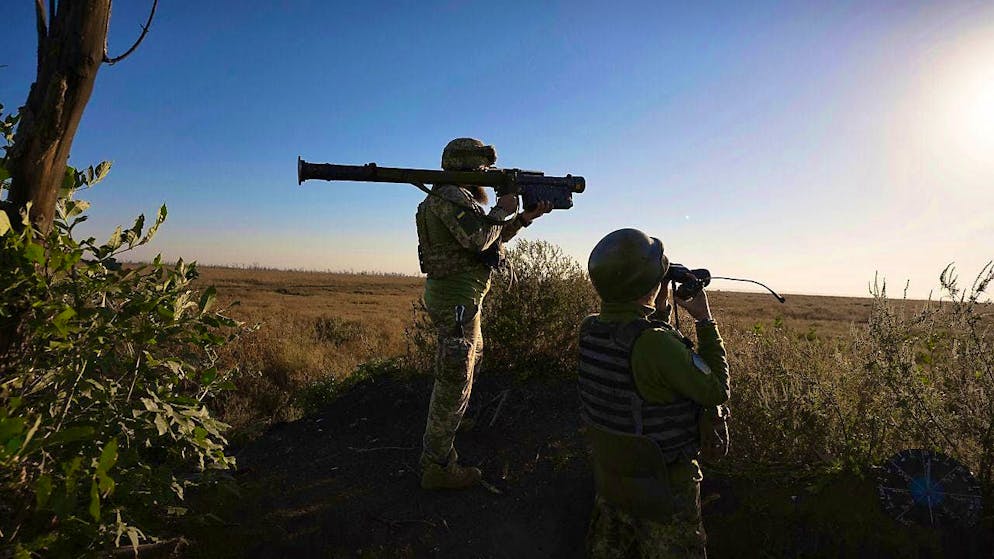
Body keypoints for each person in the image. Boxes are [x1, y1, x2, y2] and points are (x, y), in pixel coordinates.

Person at [579, 228, 730, 558]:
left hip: (613, 476)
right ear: (648, 284)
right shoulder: (656, 343)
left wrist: (658, 310)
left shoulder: (590, 328)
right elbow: (717, 389)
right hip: (663, 486)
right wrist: (704, 321)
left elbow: (637, 360)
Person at [416, 137, 552, 490]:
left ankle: (452, 423)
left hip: (463, 298)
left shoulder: (456, 197)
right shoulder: (448, 197)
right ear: (468, 168)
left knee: (467, 365)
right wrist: (504, 208)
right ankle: (437, 465)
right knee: (454, 378)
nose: (488, 175)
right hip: (456, 300)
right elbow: (478, 239)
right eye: (483, 169)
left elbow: (489, 240)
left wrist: (522, 218)